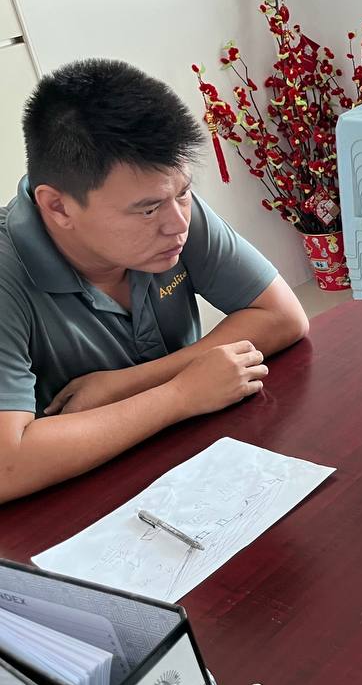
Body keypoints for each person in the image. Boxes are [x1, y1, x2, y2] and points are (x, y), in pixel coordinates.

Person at [0, 59, 309, 503]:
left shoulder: (168, 206)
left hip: (181, 471)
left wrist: (130, 383)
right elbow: (7, 466)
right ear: (58, 207)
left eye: (184, 193)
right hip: (62, 509)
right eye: (147, 210)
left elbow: (282, 316)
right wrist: (179, 395)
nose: (178, 225)